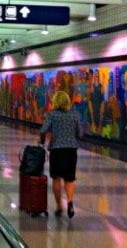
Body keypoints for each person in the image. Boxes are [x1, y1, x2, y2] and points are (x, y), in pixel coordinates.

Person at [39, 90, 83, 218]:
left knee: (56, 178)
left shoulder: (52, 115)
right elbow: (80, 134)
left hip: (57, 150)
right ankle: (69, 202)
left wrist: (42, 142)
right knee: (69, 179)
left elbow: (43, 130)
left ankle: (59, 206)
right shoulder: (74, 115)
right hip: (71, 151)